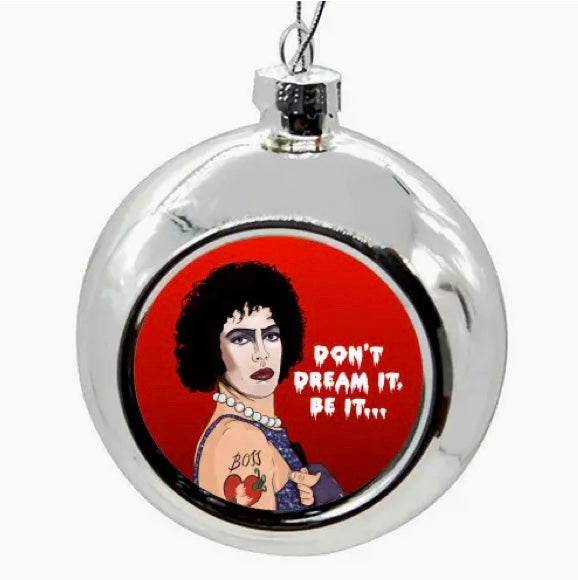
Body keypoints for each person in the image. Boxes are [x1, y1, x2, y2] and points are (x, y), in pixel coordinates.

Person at [174, 261, 322, 511]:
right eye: (241, 339)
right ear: (211, 350)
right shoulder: (240, 438)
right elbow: (260, 535)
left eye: (271, 335)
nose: (261, 353)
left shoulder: (253, 429)